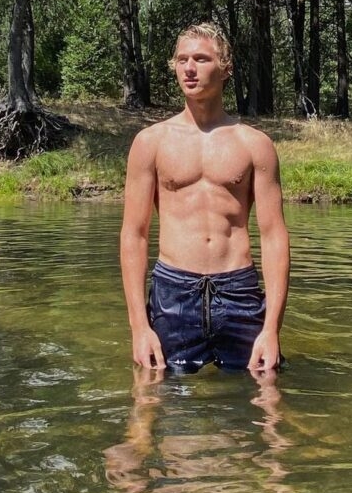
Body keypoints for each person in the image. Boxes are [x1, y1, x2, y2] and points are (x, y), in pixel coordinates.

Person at [120, 22, 290, 374]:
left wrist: (271, 328)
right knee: (152, 390)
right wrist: (139, 327)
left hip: (239, 291)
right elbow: (134, 235)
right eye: (182, 59)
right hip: (173, 292)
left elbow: (274, 236)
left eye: (200, 58)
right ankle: (137, 434)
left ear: (226, 67)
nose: (189, 68)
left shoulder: (254, 144)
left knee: (266, 392)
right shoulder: (151, 142)